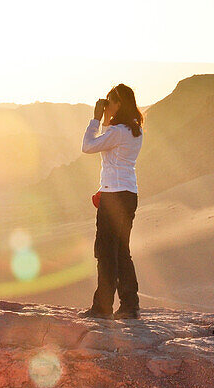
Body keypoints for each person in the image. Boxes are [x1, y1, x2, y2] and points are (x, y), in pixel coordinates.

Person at [80, 84, 143, 319]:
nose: (108, 104)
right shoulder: (134, 130)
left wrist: (96, 120)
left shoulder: (117, 132)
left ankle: (102, 307)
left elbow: (88, 146)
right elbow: (110, 145)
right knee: (122, 251)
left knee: (105, 252)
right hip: (128, 194)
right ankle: (130, 305)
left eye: (110, 100)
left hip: (114, 197)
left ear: (119, 103)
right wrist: (108, 119)